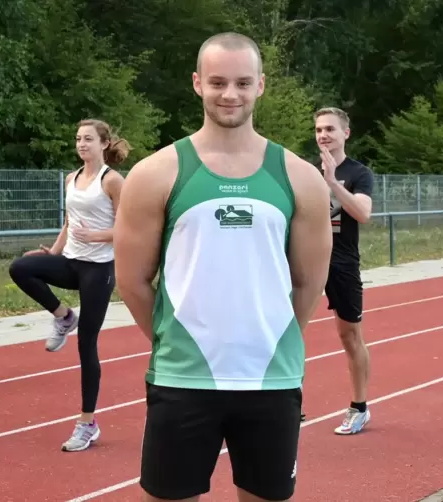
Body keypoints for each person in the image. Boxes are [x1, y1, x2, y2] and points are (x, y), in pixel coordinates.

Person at [113, 33, 333, 502]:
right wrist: (174, 340)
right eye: (217, 82)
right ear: (196, 83)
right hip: (182, 378)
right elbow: (131, 280)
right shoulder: (156, 173)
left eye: (241, 82)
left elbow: (310, 280)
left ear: (260, 86)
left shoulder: (300, 177)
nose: (229, 94)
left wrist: (270, 338)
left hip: (271, 378)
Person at [8, 118, 128, 452]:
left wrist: (98, 236)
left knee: (86, 346)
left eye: (88, 139)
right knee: (21, 268)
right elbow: (68, 222)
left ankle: (87, 423)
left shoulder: (112, 181)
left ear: (104, 143)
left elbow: (128, 229)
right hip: (71, 261)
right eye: (78, 138)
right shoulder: (71, 178)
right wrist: (54, 251)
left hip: (98, 269)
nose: (81, 144)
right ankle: (63, 316)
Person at [314, 107, 374, 435]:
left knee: (349, 335)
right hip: (309, 261)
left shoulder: (358, 173)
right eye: (319, 129)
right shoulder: (306, 172)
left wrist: (332, 182)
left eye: (330, 129)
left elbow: (363, 213)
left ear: (345, 134)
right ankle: (287, 401)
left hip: (343, 262)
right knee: (285, 329)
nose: (323, 135)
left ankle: (359, 407)